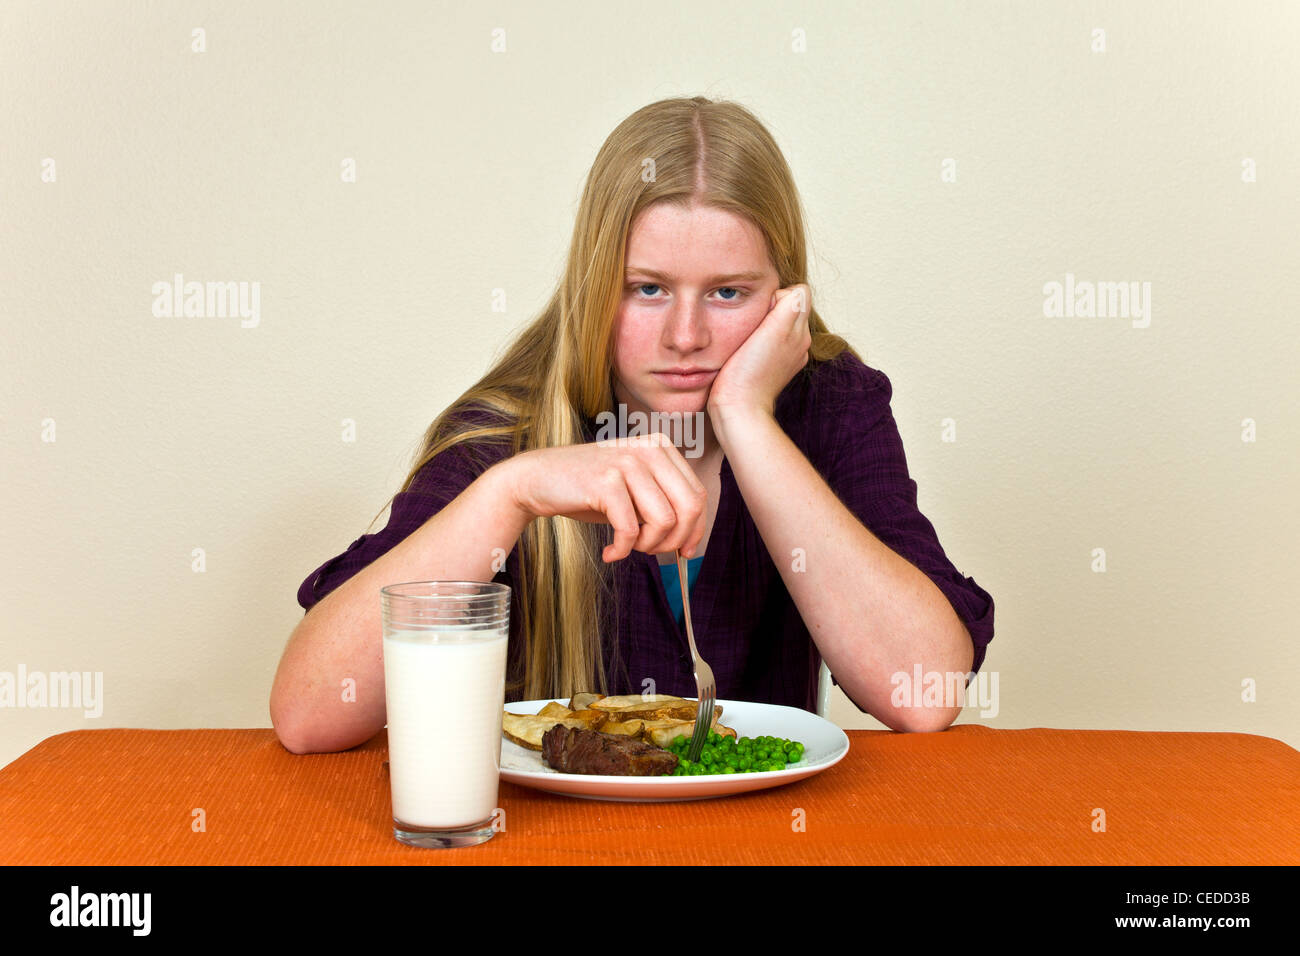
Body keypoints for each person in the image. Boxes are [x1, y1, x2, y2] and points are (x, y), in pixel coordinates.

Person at [270, 96, 995, 754]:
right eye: (646, 289)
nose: (686, 336)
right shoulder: (506, 428)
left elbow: (920, 694)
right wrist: (508, 495)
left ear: (787, 300)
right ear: (594, 289)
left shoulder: (831, 405)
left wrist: (745, 416)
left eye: (728, 293)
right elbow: (309, 715)